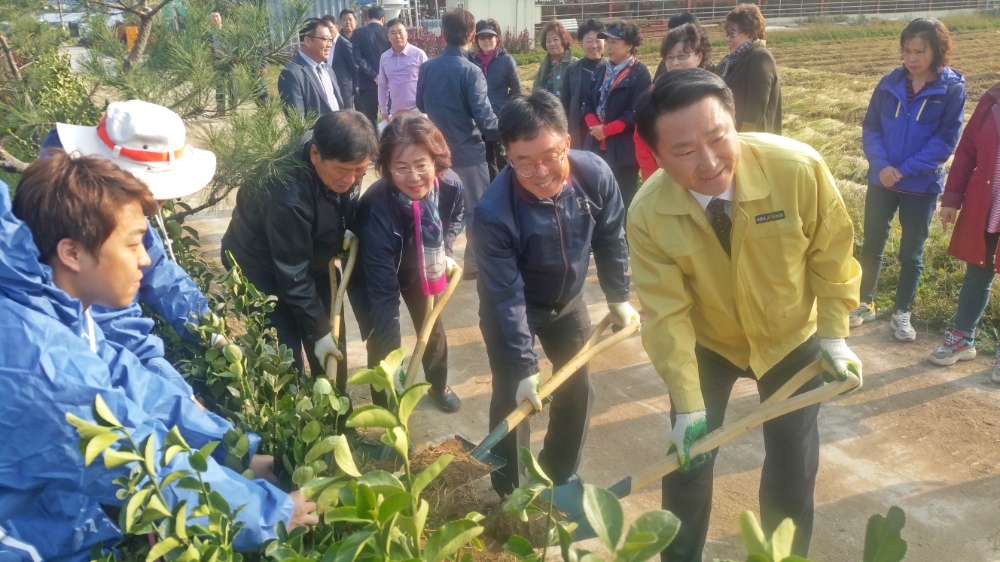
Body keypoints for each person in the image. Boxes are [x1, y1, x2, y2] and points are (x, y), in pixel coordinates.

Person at [0, 157, 317, 562]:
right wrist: (269, 513)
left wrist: (233, 450)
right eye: (133, 244)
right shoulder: (45, 366)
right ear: (72, 254)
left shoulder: (54, 307)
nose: (145, 260)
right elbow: (141, 463)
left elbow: (136, 385)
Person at [630, 69, 863, 561]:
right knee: (688, 460)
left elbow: (832, 253)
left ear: (736, 124)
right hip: (708, 343)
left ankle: (782, 556)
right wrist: (688, 404)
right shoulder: (649, 212)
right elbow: (665, 312)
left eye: (719, 138)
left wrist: (835, 336)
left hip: (789, 339)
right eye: (685, 151)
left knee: (793, 463)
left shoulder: (797, 169)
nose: (710, 162)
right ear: (656, 154)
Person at [474, 90, 637, 496]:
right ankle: (508, 488)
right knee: (515, 397)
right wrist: (525, 365)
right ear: (507, 157)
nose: (540, 171)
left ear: (568, 141)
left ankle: (557, 471)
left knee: (576, 388)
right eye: (523, 161)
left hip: (567, 303)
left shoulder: (594, 175)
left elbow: (612, 235)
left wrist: (618, 295)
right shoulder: (494, 213)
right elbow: (506, 295)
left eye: (550, 155)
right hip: (513, 310)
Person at [39, 100, 224, 400]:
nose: (162, 203)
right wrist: (178, 400)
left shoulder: (117, 211)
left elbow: (160, 274)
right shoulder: (85, 228)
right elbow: (116, 334)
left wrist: (210, 330)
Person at [221, 111, 378, 381]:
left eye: (360, 171)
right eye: (343, 171)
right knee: (284, 350)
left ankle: (336, 416)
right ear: (315, 154)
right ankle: (291, 406)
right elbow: (293, 275)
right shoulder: (286, 195)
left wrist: (344, 227)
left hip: (312, 255)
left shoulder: (344, 158)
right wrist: (317, 332)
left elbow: (345, 192)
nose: (350, 180)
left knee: (331, 337)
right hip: (260, 268)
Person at [854, 18, 966, 341]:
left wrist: (903, 170)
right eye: (907, 50)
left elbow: (945, 142)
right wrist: (882, 165)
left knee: (911, 254)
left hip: (921, 186)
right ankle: (864, 302)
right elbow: (871, 127)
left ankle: (902, 312)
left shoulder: (951, 90)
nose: (912, 58)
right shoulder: (889, 82)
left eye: (921, 51)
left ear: (938, 51)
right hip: (882, 181)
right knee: (872, 244)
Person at [356, 113, 464, 412]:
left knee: (431, 324)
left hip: (423, 263)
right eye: (401, 168)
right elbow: (383, 296)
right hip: (381, 266)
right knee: (381, 332)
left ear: (435, 161)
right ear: (388, 169)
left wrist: (446, 248)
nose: (414, 177)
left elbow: (455, 216)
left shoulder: (450, 187)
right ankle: (385, 401)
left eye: (421, 165)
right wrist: (392, 357)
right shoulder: (376, 207)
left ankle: (437, 384)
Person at [416, 8, 498, 281]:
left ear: (442, 35)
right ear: (473, 35)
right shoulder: (471, 71)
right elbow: (486, 121)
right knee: (476, 212)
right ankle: (473, 265)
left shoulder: (428, 67)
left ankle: (438, 263)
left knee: (440, 212)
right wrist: (511, 132)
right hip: (469, 153)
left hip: (438, 153)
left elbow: (421, 105)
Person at [931, 81, 1000, 376]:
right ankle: (962, 338)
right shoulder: (992, 100)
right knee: (978, 272)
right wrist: (952, 199)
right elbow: (967, 151)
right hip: (988, 204)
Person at [581, 20, 650, 223]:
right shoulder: (602, 70)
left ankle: (630, 235)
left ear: (629, 45)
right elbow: (587, 103)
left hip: (624, 148)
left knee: (627, 194)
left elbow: (635, 112)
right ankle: (601, 233)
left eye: (614, 42)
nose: (609, 47)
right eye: (608, 42)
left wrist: (607, 130)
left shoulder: (640, 73)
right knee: (596, 192)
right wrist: (595, 127)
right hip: (597, 143)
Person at [636, 21, 714, 181]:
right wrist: (654, 179)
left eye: (682, 56)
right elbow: (643, 143)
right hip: (667, 177)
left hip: (709, 172)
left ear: (699, 56)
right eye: (670, 57)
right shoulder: (654, 94)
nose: (675, 63)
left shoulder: (714, 92)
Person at [717, 4, 782, 134]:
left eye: (732, 34)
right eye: (727, 34)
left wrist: (744, 137)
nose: (727, 39)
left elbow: (755, 106)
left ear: (750, 33)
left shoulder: (760, 57)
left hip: (753, 140)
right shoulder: (731, 60)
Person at [470, 19, 521, 180]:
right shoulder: (472, 61)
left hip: (500, 119)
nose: (486, 40)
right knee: (485, 161)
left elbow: (517, 90)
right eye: (482, 37)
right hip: (478, 120)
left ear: (497, 38)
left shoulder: (506, 60)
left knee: (505, 161)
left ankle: (510, 190)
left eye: (489, 36)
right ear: (476, 39)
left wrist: (508, 112)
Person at [278, 18, 343, 119]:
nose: (329, 44)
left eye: (330, 39)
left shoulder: (328, 69)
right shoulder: (291, 73)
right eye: (325, 39)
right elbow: (297, 123)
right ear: (307, 40)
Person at [561, 18, 605, 151]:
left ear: (605, 41)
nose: (594, 45)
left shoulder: (611, 70)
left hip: (602, 134)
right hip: (577, 131)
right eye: (589, 41)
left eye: (598, 40)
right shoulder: (572, 70)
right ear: (580, 42)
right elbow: (564, 104)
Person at [378, 18, 428, 122]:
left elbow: (429, 83)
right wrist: (383, 111)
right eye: (393, 33)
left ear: (406, 34)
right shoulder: (384, 57)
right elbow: (383, 86)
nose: (397, 36)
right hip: (396, 112)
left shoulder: (418, 54)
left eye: (400, 32)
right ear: (388, 37)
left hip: (417, 111)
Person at [351, 5, 391, 132]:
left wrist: (374, 75)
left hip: (367, 85)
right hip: (389, 84)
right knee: (390, 119)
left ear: (367, 17)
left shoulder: (358, 33)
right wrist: (383, 76)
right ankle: (389, 147)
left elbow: (357, 58)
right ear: (383, 18)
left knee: (369, 122)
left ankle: (374, 149)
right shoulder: (389, 32)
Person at [532, 19, 576, 99]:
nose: (552, 44)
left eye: (555, 39)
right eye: (548, 41)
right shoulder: (544, 65)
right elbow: (536, 91)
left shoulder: (575, 64)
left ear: (563, 40)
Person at [322, 14, 358, 111]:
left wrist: (357, 85)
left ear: (337, 27)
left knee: (346, 118)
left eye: (330, 28)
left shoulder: (345, 44)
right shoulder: (323, 45)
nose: (327, 32)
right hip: (328, 87)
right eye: (325, 29)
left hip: (344, 89)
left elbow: (354, 66)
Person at [652, 12, 699, 81]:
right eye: (670, 32)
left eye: (682, 56)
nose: (675, 63)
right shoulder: (666, 63)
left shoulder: (709, 71)